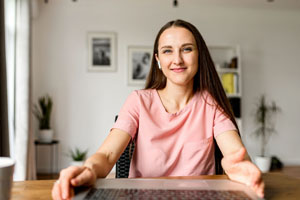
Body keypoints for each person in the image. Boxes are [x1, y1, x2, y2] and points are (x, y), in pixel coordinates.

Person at [52, 19, 264, 200]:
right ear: (158, 60)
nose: (177, 59)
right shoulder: (138, 101)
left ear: (200, 55)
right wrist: (88, 169)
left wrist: (240, 168)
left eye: (187, 49)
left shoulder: (211, 104)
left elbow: (235, 154)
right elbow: (107, 155)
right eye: (167, 51)